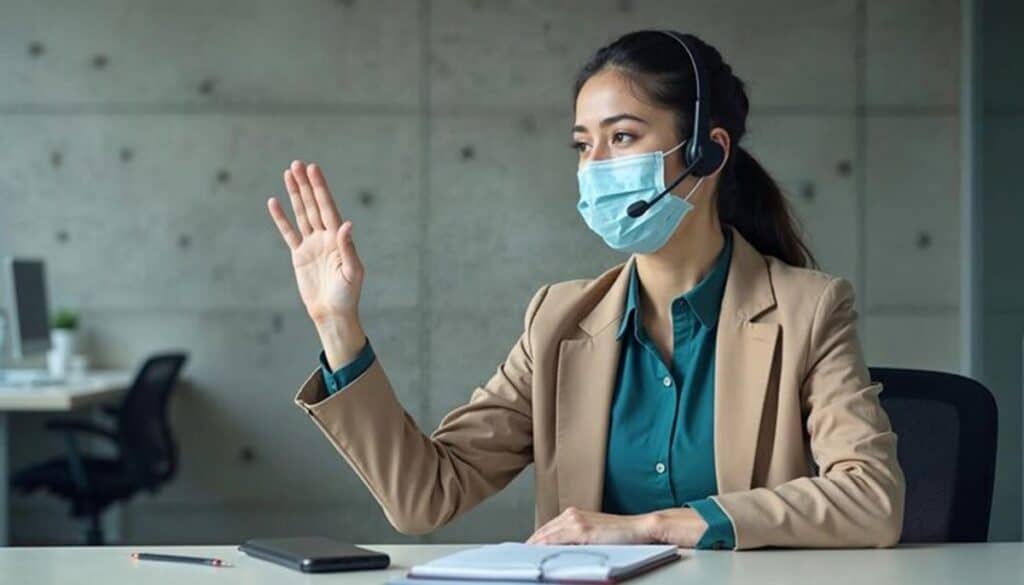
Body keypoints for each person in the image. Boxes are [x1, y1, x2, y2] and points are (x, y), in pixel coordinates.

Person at [265, 30, 904, 550]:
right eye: (582, 144)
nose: (596, 167)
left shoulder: (808, 308)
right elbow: (425, 496)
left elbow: (873, 498)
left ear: (709, 153)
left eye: (622, 137)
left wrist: (657, 526)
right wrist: (337, 326)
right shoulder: (558, 320)